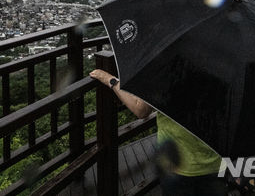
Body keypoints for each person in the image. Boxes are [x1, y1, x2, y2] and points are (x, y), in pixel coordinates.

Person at [90, 69, 227, 196]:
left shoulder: (170, 67)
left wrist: (111, 80)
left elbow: (141, 109)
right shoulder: (225, 65)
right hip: (215, 161)